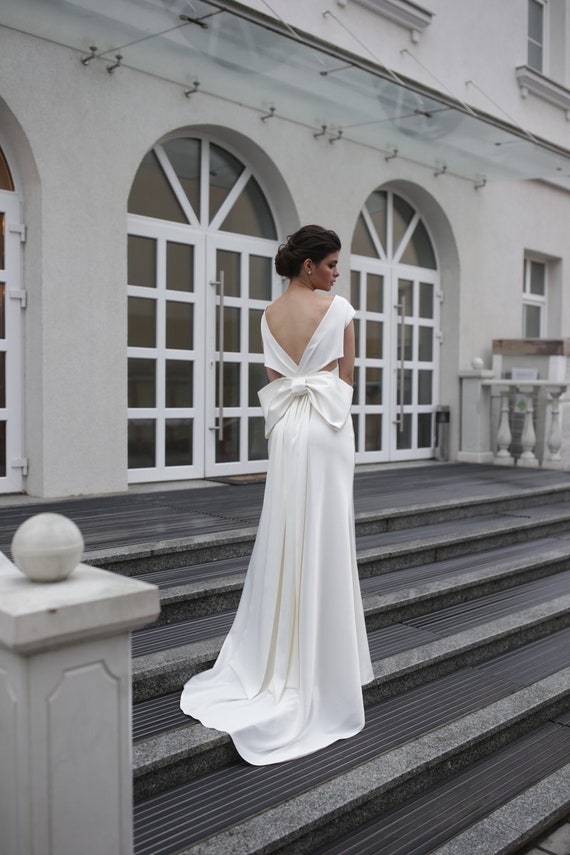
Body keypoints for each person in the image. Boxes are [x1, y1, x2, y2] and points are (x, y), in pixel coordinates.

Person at [180, 224, 373, 765]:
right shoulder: (338, 310)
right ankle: (325, 669)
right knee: (327, 538)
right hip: (328, 429)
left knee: (288, 533)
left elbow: (273, 374)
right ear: (309, 266)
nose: (337, 272)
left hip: (287, 429)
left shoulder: (266, 315)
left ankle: (282, 659)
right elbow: (346, 381)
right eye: (331, 263)